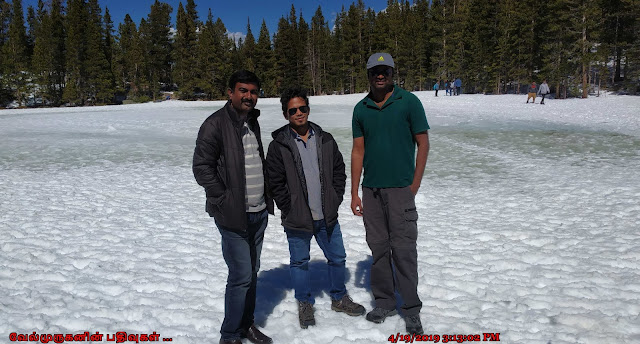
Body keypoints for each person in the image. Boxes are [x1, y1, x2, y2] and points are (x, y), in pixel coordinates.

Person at [266, 87, 366, 329]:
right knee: (300, 262)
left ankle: (338, 297)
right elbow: (275, 182)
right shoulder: (279, 145)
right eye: (293, 110)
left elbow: (339, 171)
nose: (299, 113)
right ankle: (304, 302)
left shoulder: (325, 139)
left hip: (326, 214)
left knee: (338, 257)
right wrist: (288, 207)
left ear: (308, 109)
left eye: (303, 108)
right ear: (285, 114)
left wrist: (334, 197)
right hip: (297, 217)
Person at [351, 53, 430, 335]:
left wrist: (414, 184)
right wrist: (354, 192)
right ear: (369, 74)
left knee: (405, 251)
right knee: (379, 249)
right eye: (375, 71)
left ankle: (411, 309)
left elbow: (423, 143)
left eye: (385, 70)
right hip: (371, 191)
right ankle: (384, 301)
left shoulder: (408, 102)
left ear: (392, 73)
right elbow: (358, 150)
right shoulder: (361, 108)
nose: (380, 75)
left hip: (400, 191)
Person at [193, 70, 274, 344]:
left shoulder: (253, 121)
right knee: (240, 276)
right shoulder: (214, 124)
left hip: (258, 212)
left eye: (253, 91)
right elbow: (201, 168)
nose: (248, 96)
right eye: (243, 90)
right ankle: (229, 335)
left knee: (252, 272)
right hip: (232, 216)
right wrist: (224, 198)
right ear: (230, 93)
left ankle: (246, 325)